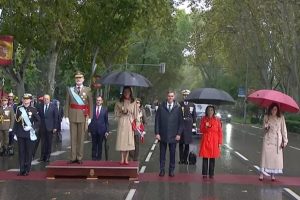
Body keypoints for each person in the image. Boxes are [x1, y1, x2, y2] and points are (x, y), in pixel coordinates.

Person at [65, 71, 93, 164]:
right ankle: (73, 157)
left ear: (83, 79)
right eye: (77, 78)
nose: (78, 79)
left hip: (83, 115)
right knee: (73, 138)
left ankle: (79, 157)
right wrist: (66, 116)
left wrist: (90, 117)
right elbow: (67, 104)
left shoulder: (88, 90)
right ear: (75, 79)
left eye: (80, 78)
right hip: (72, 115)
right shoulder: (70, 90)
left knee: (81, 138)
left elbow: (90, 104)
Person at [155, 90, 183, 177]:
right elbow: (157, 121)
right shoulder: (161, 106)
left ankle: (171, 170)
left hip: (174, 135)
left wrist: (179, 134)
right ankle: (162, 170)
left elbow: (181, 122)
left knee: (172, 154)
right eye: (169, 96)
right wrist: (157, 133)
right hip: (163, 134)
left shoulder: (178, 108)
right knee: (162, 154)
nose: (170, 98)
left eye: (172, 96)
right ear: (166, 97)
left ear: (174, 97)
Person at [259, 103, 288, 181]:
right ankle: (261, 173)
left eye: (275, 109)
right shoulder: (266, 117)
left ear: (277, 110)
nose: (273, 111)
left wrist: (284, 141)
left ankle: (273, 175)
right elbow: (263, 129)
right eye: (272, 109)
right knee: (265, 157)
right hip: (268, 139)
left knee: (275, 159)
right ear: (270, 109)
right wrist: (266, 126)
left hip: (277, 140)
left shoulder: (281, 117)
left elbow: (284, 130)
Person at [14, 93, 40, 176]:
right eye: (24, 99)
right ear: (22, 100)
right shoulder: (19, 108)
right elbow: (16, 122)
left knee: (28, 152)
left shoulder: (33, 109)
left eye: (27, 99)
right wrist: (15, 133)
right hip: (21, 133)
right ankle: (21, 170)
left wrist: (32, 127)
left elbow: (38, 121)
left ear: (30, 100)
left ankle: (27, 170)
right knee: (21, 152)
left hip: (29, 133)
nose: (25, 100)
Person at [114, 86, 138, 165]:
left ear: (130, 93)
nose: (126, 93)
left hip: (129, 122)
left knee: (128, 141)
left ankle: (126, 158)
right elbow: (116, 114)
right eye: (125, 92)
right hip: (122, 121)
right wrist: (122, 112)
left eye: (128, 92)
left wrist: (136, 124)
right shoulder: (119, 102)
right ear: (123, 93)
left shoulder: (133, 102)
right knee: (121, 140)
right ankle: (121, 158)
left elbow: (136, 114)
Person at [199, 105, 222, 179]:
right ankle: (204, 173)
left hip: (214, 140)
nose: (210, 111)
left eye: (211, 110)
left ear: (214, 111)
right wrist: (206, 127)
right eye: (208, 110)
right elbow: (201, 130)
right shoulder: (203, 119)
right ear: (206, 111)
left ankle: (211, 173)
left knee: (212, 157)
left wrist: (219, 143)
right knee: (205, 156)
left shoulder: (217, 120)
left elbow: (220, 132)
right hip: (206, 139)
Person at [37, 94, 58, 162]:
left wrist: (55, 127)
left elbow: (56, 117)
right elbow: (38, 117)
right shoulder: (40, 106)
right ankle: (42, 156)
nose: (46, 100)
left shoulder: (53, 106)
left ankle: (48, 156)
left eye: (47, 99)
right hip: (42, 127)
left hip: (50, 127)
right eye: (45, 99)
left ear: (49, 99)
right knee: (43, 143)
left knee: (49, 142)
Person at [88, 96, 109, 160]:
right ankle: (93, 158)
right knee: (94, 145)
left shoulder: (105, 109)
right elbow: (89, 120)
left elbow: (106, 121)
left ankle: (99, 158)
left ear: (102, 101)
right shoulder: (92, 109)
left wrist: (107, 131)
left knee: (100, 145)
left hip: (102, 130)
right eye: (97, 100)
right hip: (93, 130)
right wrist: (89, 130)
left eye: (99, 100)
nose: (98, 101)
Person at [178, 89, 196, 164]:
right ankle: (181, 159)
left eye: (187, 95)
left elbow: (194, 116)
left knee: (187, 144)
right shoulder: (179, 104)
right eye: (184, 95)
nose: (185, 96)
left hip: (189, 125)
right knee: (181, 143)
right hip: (181, 125)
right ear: (183, 96)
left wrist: (194, 127)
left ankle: (185, 159)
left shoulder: (192, 104)